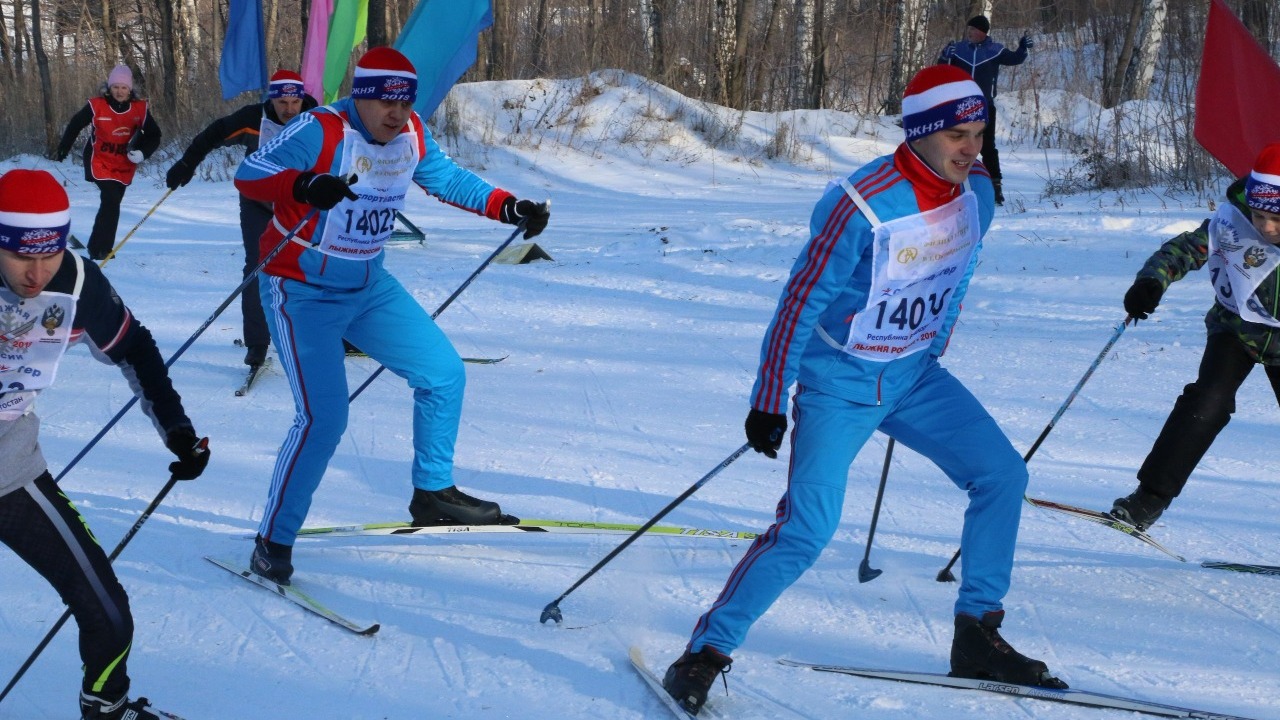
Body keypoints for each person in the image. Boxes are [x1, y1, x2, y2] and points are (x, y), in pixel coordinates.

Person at [660, 65, 1067, 716]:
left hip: (914, 377)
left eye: (980, 134)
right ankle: (704, 653)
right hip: (839, 387)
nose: (973, 149)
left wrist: (934, 343)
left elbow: (959, 269)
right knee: (808, 529)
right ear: (921, 132)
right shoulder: (862, 204)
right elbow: (799, 303)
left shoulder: (978, 195)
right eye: (958, 135)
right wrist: (769, 398)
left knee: (1002, 475)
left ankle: (977, 634)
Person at [233, 47, 550, 585]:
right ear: (361, 96)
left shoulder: (412, 133)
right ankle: (273, 540)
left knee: (442, 373)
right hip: (300, 292)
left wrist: (507, 206)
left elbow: (448, 179)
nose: (397, 114)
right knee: (323, 419)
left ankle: (433, 494)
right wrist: (302, 184)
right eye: (386, 102)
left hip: (368, 286)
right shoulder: (320, 129)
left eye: (405, 103)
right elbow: (251, 172)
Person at [0, 169, 210, 720]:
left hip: (9, 474)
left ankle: (107, 709)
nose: (36, 273)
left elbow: (135, 347)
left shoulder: (74, 284)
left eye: (48, 254)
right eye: (20, 256)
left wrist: (177, 429)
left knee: (109, 615)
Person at [1112, 143, 1280, 530]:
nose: (1266, 227)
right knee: (1207, 401)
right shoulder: (1234, 220)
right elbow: (1187, 248)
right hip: (1237, 328)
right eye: (1259, 215)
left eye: (1276, 218)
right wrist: (1151, 281)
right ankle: (1147, 501)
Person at [165, 70, 319, 368]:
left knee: (315, 264)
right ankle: (258, 343)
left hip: (300, 204)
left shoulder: (317, 119)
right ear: (271, 99)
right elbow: (214, 133)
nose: (289, 109)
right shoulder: (253, 118)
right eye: (283, 102)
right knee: (257, 265)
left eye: (294, 102)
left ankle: (326, 331)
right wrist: (187, 163)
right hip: (257, 203)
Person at [55, 65, 162, 262]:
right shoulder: (97, 105)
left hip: (124, 162)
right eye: (115, 87)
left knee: (112, 203)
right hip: (99, 159)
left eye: (124, 87)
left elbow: (155, 135)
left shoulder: (139, 108)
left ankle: (97, 246)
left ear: (130, 89)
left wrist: (142, 153)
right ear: (109, 88)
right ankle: (102, 250)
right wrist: (64, 147)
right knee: (111, 199)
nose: (119, 91)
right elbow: (75, 124)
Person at [938, 15, 1032, 205]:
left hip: (985, 107)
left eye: (973, 29)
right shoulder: (959, 49)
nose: (969, 32)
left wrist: (1023, 47)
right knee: (954, 145)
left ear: (982, 32)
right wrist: (944, 56)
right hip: (961, 106)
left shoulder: (994, 50)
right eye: (969, 29)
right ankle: (949, 187)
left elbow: (1016, 59)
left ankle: (995, 188)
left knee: (988, 147)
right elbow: (942, 70)